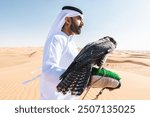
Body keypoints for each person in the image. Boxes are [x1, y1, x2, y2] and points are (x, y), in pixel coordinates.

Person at [40, 6, 84, 100]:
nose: (82, 23)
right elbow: (48, 71)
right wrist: (82, 77)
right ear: (68, 20)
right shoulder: (56, 39)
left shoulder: (71, 43)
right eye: (79, 18)